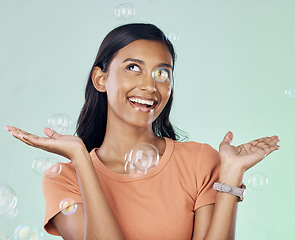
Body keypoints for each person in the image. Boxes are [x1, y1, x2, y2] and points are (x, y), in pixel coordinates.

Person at [5, 23, 280, 240]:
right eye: (133, 68)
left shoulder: (199, 161)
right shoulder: (64, 180)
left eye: (162, 73)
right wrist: (81, 158)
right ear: (101, 79)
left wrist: (231, 173)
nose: (150, 85)